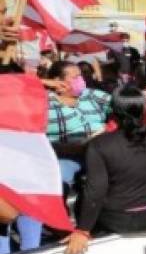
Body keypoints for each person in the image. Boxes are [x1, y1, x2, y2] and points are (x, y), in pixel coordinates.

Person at [73, 67, 146, 250]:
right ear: (144, 108)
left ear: (114, 111)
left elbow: (95, 192)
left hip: (120, 221)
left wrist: (82, 230)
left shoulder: (99, 146)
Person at [45, 60, 112, 191]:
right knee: (58, 183)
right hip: (65, 156)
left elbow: (121, 104)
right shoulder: (45, 102)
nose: (80, 80)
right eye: (75, 77)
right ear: (57, 80)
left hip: (101, 153)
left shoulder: (91, 95)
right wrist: (43, 82)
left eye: (80, 76)